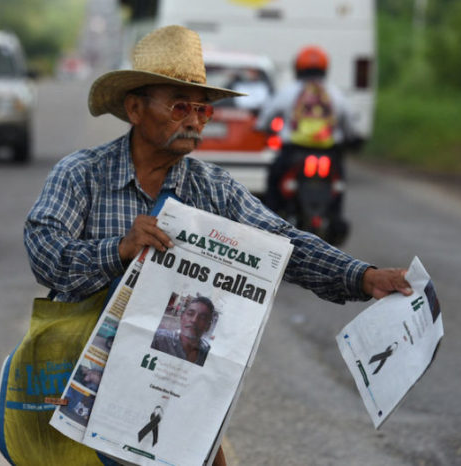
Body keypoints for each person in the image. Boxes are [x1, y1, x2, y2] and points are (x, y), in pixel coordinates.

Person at [24, 25, 412, 466]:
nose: (194, 121)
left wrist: (363, 276)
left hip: (168, 392)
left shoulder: (213, 190)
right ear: (135, 108)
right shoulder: (81, 174)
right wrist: (118, 249)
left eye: (203, 111)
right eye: (179, 107)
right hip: (81, 383)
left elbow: (284, 244)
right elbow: (44, 251)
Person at [256, 45, 357, 216]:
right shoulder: (335, 93)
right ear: (325, 69)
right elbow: (350, 125)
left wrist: (263, 128)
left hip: (293, 153)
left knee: (274, 180)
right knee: (338, 184)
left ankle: (270, 222)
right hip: (330, 153)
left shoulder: (288, 92)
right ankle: (336, 218)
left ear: (297, 68)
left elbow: (265, 118)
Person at [151, 296, 215, 366]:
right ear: (182, 317)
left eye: (202, 318)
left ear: (208, 326)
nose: (194, 320)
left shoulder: (208, 353)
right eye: (190, 314)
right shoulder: (158, 339)